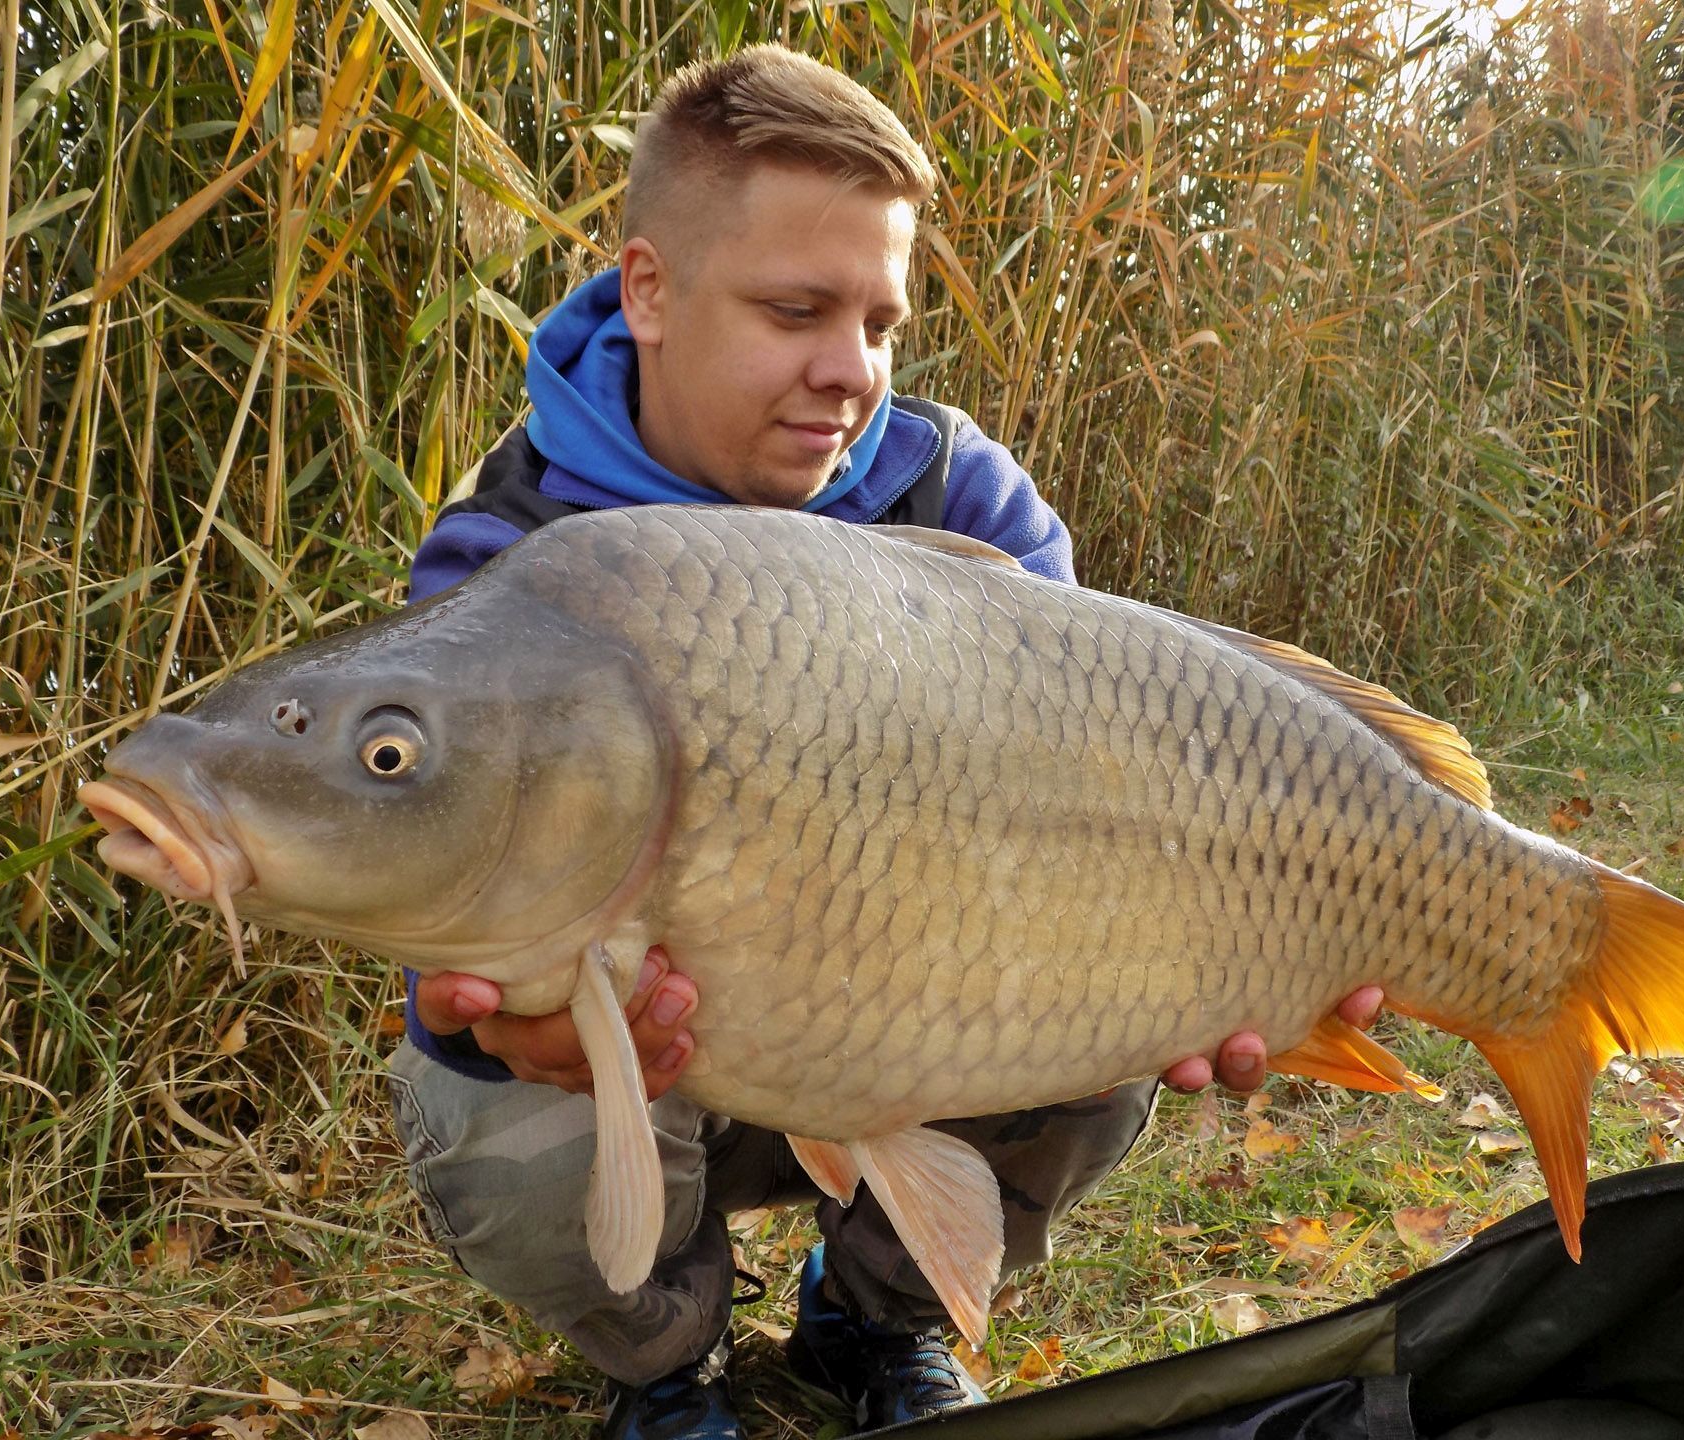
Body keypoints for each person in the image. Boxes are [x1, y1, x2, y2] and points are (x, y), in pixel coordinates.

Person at [386, 44, 1383, 1440]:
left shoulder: (958, 493)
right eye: (797, 310)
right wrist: (486, 1020)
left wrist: (1239, 946)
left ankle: (877, 1319)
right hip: (663, 1053)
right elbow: (458, 901)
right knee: (507, 1122)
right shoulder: (515, 553)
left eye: (881, 322)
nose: (849, 372)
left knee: (1111, 1023)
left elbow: (1117, 782)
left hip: (913, 1011)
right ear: (649, 290)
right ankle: (667, 1361)